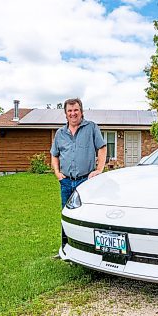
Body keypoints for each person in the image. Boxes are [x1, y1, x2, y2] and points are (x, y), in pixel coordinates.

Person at [50, 98, 106, 253]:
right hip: (66, 182)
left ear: (81, 111)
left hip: (86, 181)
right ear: (65, 114)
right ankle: (66, 248)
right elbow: (54, 154)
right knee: (66, 215)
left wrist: (99, 169)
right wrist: (57, 172)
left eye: (76, 110)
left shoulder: (91, 128)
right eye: (70, 111)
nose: (73, 113)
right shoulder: (60, 133)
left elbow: (101, 148)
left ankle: (88, 250)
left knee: (87, 215)